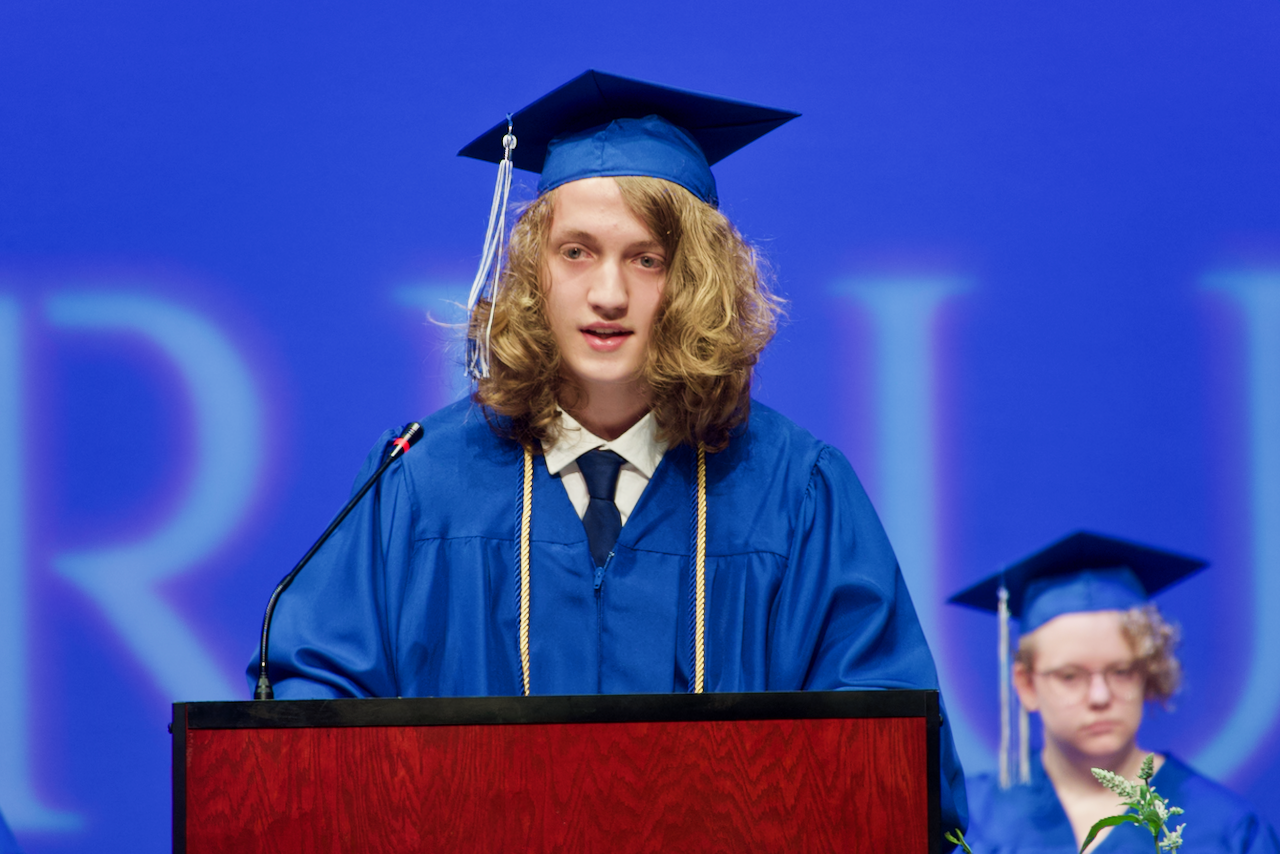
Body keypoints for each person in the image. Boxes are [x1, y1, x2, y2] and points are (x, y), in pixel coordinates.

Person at [251, 70, 967, 837]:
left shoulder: (796, 493)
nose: (608, 294)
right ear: (533, 272)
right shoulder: (420, 484)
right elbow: (312, 728)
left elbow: (887, 761)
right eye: (577, 252)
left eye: (646, 259)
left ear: (694, 279)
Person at [949, 531, 1279, 853]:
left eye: (1122, 671)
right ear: (1026, 684)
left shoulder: (1226, 830)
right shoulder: (971, 823)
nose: (1099, 696)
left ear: (1148, 672)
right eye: (1069, 676)